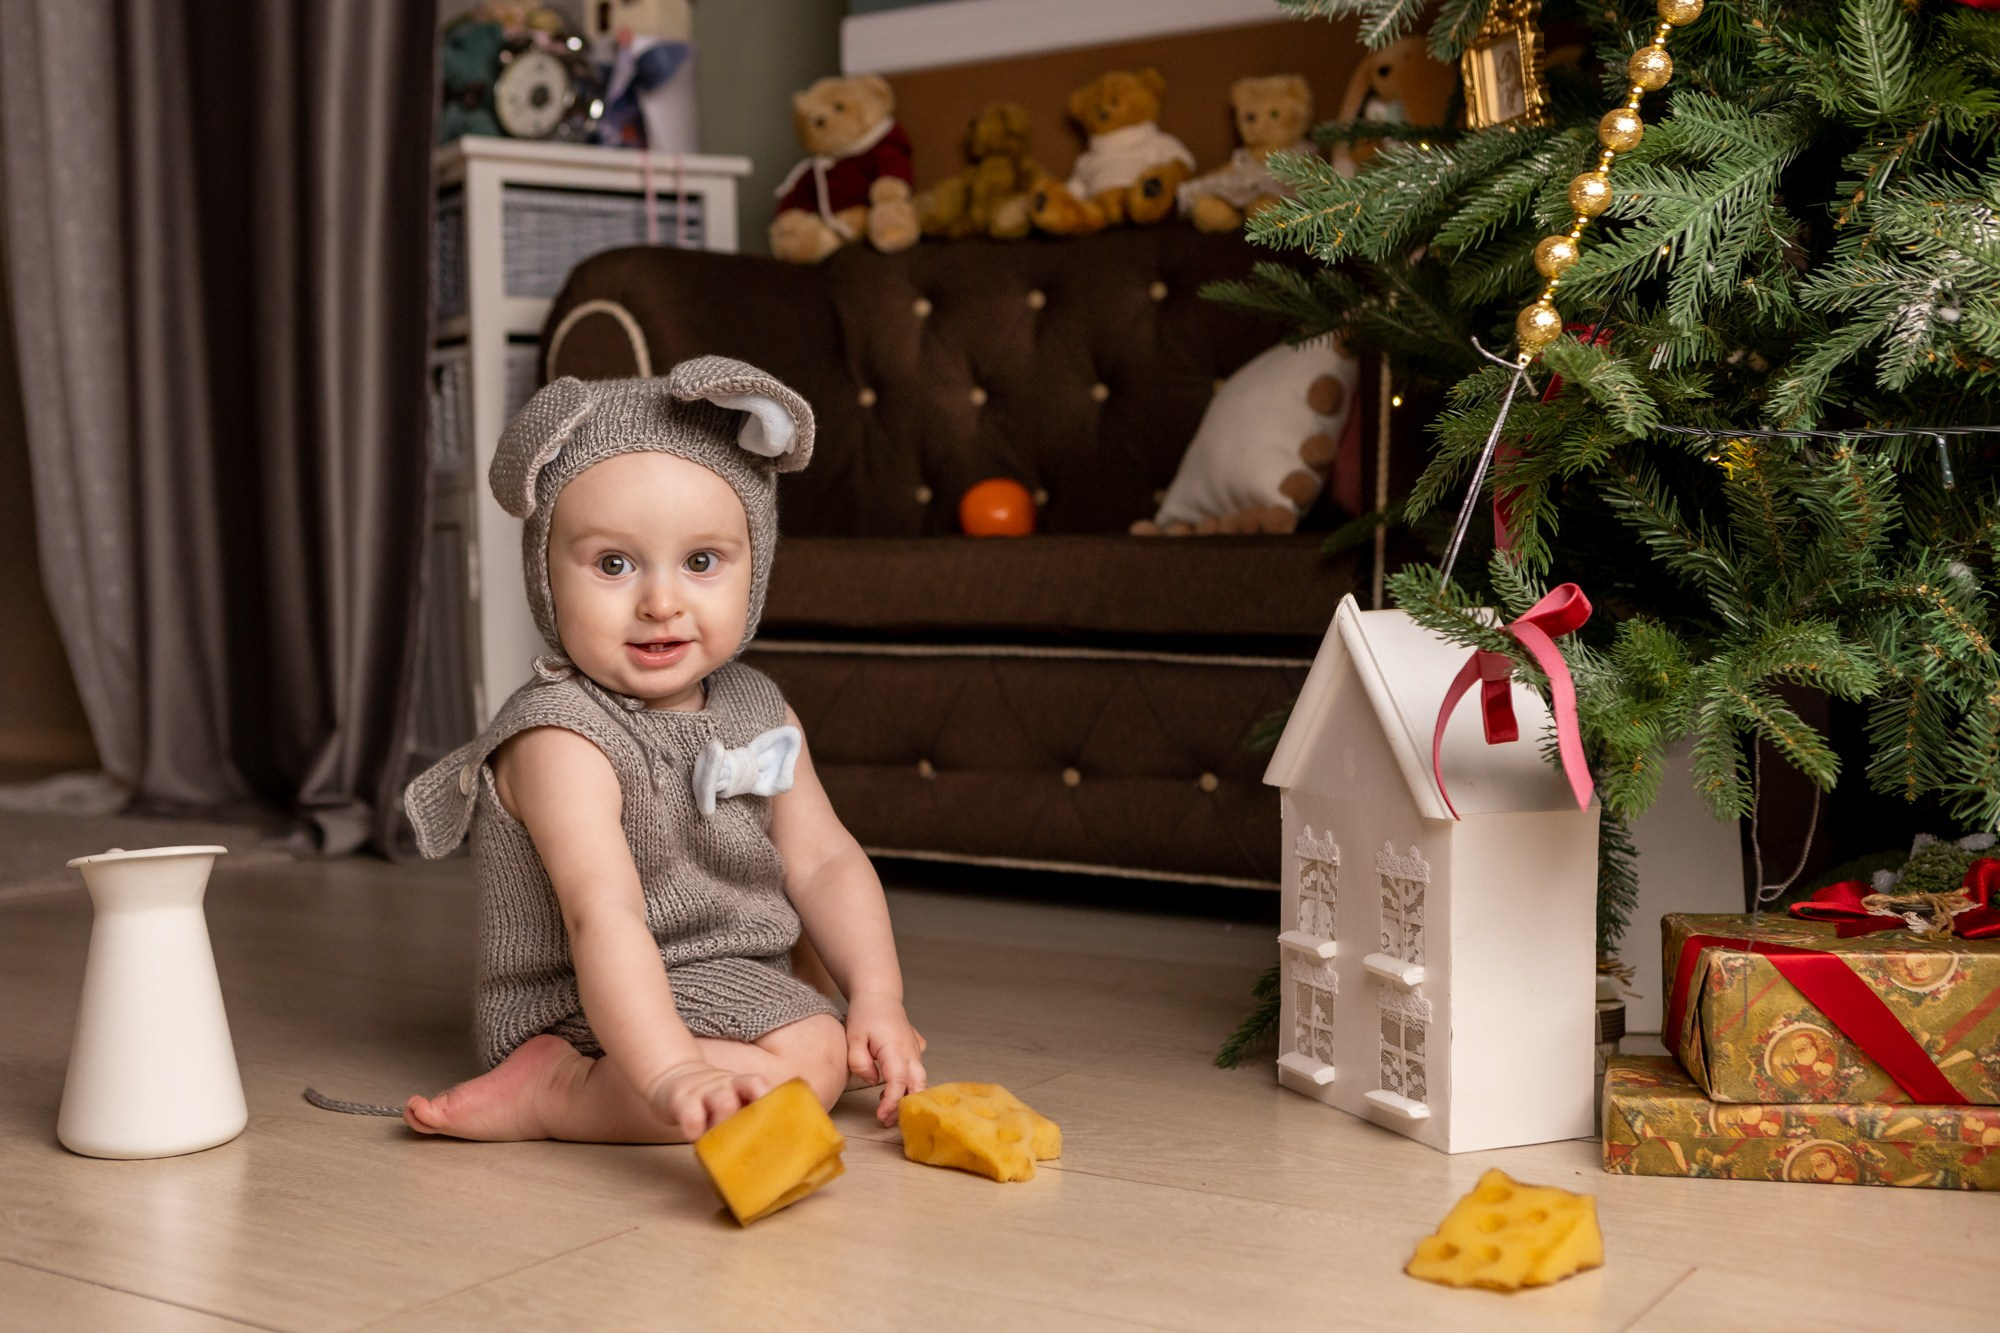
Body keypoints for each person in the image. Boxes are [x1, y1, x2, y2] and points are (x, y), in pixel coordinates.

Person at [400, 358, 926, 1143]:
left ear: (755, 565)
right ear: (546, 573)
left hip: (720, 973)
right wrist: (671, 1070)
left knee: (822, 1038)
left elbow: (823, 859)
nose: (660, 601)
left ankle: (769, 1038)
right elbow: (600, 913)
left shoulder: (758, 706)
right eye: (613, 564)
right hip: (587, 1001)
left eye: (702, 562)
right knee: (805, 1064)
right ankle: (558, 1088)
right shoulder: (561, 736)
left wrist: (880, 995)